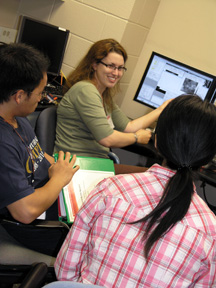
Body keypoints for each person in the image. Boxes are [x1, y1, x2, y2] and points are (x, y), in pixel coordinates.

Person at [55, 95, 216, 287]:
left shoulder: (110, 189)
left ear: (156, 141)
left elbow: (65, 272)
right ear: (207, 160)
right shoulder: (210, 233)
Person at [0, 42, 79, 261]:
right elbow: (25, 212)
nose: (42, 97)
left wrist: (61, 167)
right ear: (19, 96)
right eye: (40, 92)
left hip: (50, 196)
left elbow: (37, 156)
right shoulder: (2, 142)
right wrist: (59, 178)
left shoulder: (18, 120)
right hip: (29, 223)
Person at [54, 39, 171, 159]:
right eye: (111, 66)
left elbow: (129, 126)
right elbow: (106, 138)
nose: (116, 73)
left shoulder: (103, 95)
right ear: (94, 64)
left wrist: (162, 109)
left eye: (120, 68)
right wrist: (136, 137)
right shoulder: (85, 90)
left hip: (94, 161)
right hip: (75, 164)